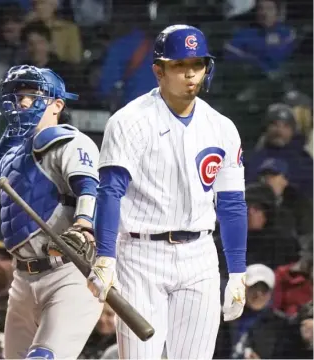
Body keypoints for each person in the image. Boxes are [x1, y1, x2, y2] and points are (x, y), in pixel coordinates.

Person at [87, 25, 248, 359]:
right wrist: (105, 256)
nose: (190, 74)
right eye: (178, 65)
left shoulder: (222, 127)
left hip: (200, 255)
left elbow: (231, 204)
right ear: (158, 70)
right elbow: (109, 192)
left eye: (197, 64)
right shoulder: (129, 121)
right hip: (140, 255)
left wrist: (237, 272)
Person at [0, 65, 103, 359]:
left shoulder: (70, 140)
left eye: (32, 93)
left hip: (68, 273)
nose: (22, 101)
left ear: (57, 104)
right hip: (22, 279)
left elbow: (89, 187)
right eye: (17, 94)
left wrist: (83, 224)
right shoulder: (13, 154)